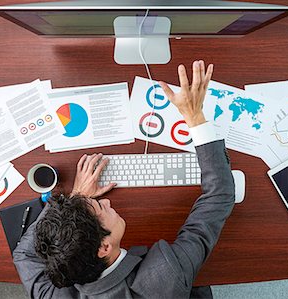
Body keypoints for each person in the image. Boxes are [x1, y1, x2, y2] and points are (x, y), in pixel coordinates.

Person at [13, 60, 235, 298]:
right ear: (103, 247)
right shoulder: (164, 277)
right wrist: (195, 117)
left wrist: (77, 197)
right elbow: (219, 195)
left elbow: (23, 255)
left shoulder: (53, 295)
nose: (107, 202)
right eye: (100, 207)